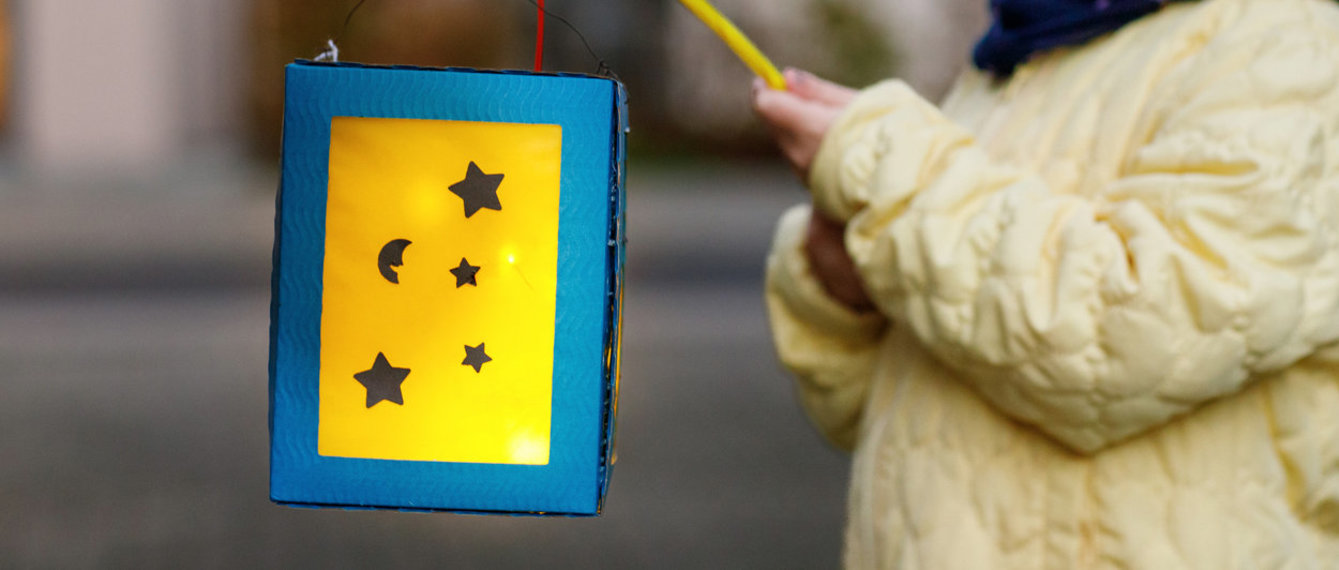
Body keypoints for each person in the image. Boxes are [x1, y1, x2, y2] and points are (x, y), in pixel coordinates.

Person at [752, 0, 1339, 567]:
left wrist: (883, 171)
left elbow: (1125, 339)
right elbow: (880, 414)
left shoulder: (1290, 45)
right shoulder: (1019, 58)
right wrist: (842, 282)